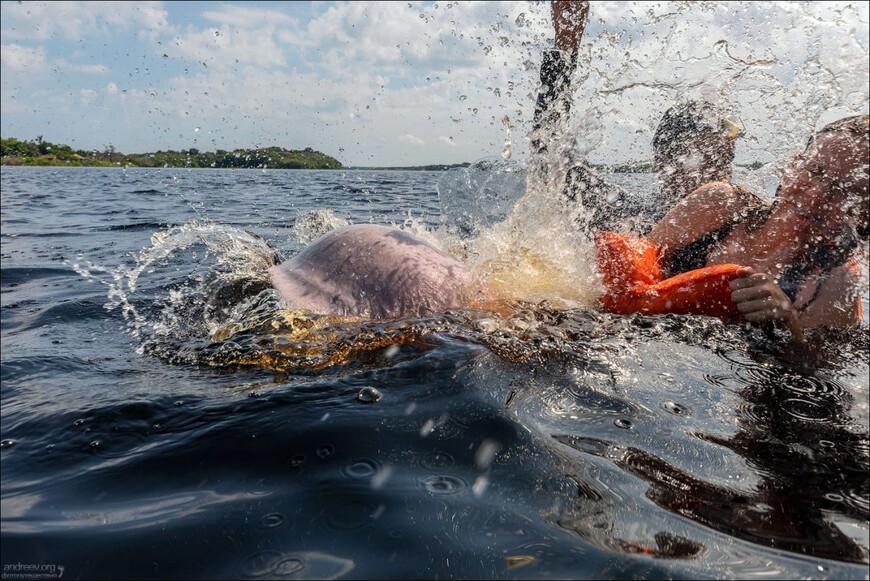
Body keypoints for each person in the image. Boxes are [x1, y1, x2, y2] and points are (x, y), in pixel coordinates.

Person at [646, 114, 869, 341]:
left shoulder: (835, 286)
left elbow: (809, 370)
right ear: (792, 167)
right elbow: (632, 269)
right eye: (815, 172)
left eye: (846, 191)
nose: (814, 196)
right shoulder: (719, 204)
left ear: (864, 214)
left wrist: (788, 324)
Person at [533, 1, 743, 232]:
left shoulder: (746, 226)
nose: (722, 177)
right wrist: (565, 47)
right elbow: (551, 165)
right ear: (666, 166)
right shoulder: (626, 216)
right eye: (708, 162)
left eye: (725, 162)